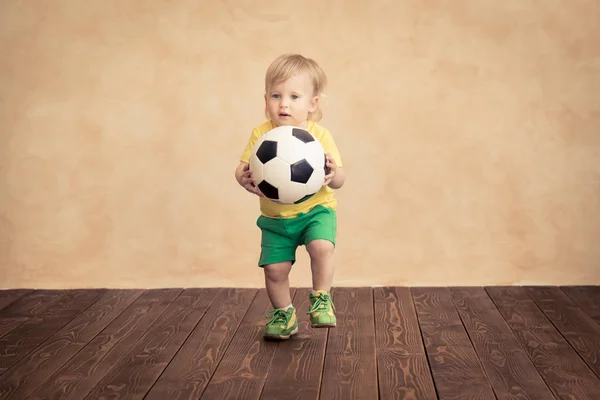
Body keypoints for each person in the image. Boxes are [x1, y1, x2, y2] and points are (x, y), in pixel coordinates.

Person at [235, 54, 346, 340]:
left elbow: (340, 180)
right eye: (276, 95)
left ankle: (321, 298)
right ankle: (284, 315)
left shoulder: (319, 136)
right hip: (275, 219)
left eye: (294, 96)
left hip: (315, 211)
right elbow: (242, 166)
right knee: (274, 270)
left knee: (322, 247)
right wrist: (242, 177)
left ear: (312, 104)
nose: (283, 103)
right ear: (265, 100)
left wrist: (334, 174)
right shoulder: (261, 136)